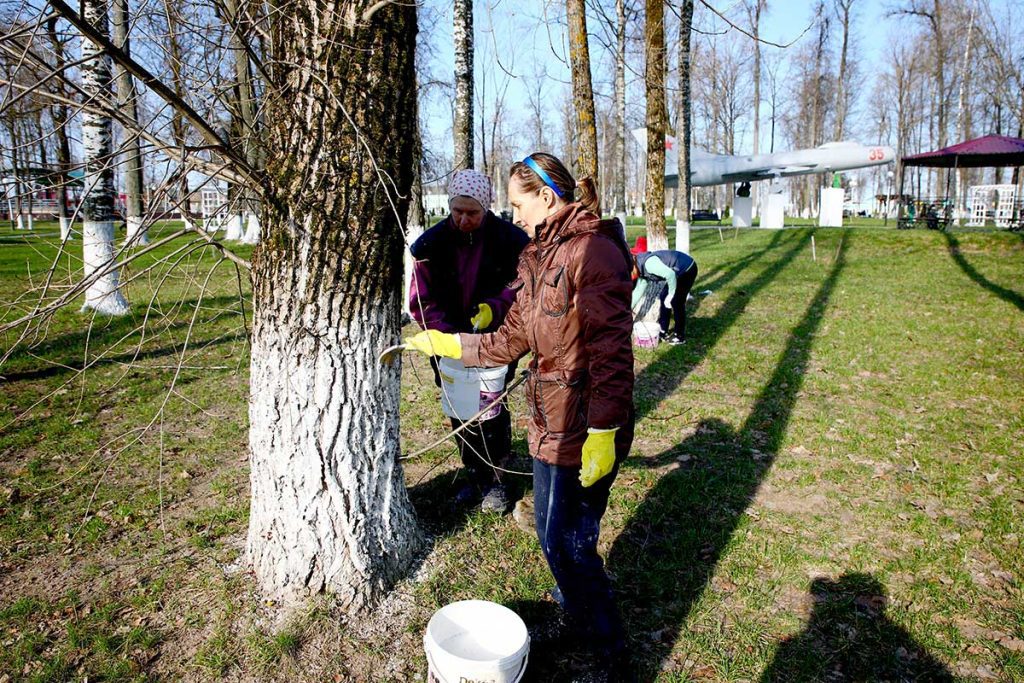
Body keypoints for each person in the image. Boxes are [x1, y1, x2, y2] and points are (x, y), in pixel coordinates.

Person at [404, 153, 636, 678]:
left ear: (547, 196)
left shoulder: (592, 251)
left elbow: (613, 353)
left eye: (517, 204)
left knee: (571, 543)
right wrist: (452, 342)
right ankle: (575, 612)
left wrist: (604, 429)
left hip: (584, 423)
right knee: (555, 535)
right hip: (550, 418)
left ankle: (610, 654)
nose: (514, 217)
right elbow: (514, 338)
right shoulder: (540, 255)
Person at [408, 169, 529, 513]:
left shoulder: (510, 241)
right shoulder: (430, 245)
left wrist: (496, 307)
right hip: (446, 341)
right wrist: (444, 335)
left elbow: (520, 287)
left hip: (497, 338)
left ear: (487, 208)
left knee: (490, 406)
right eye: (457, 211)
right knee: (460, 407)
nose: (463, 220)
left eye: (472, 213)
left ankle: (498, 478)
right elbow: (421, 299)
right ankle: (473, 473)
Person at [630, 237, 698, 345]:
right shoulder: (640, 270)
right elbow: (638, 291)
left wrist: (671, 295)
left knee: (676, 301)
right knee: (663, 297)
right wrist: (628, 310)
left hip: (687, 268)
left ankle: (679, 336)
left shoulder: (648, 264)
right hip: (674, 272)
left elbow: (670, 275)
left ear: (633, 266)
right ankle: (663, 330)